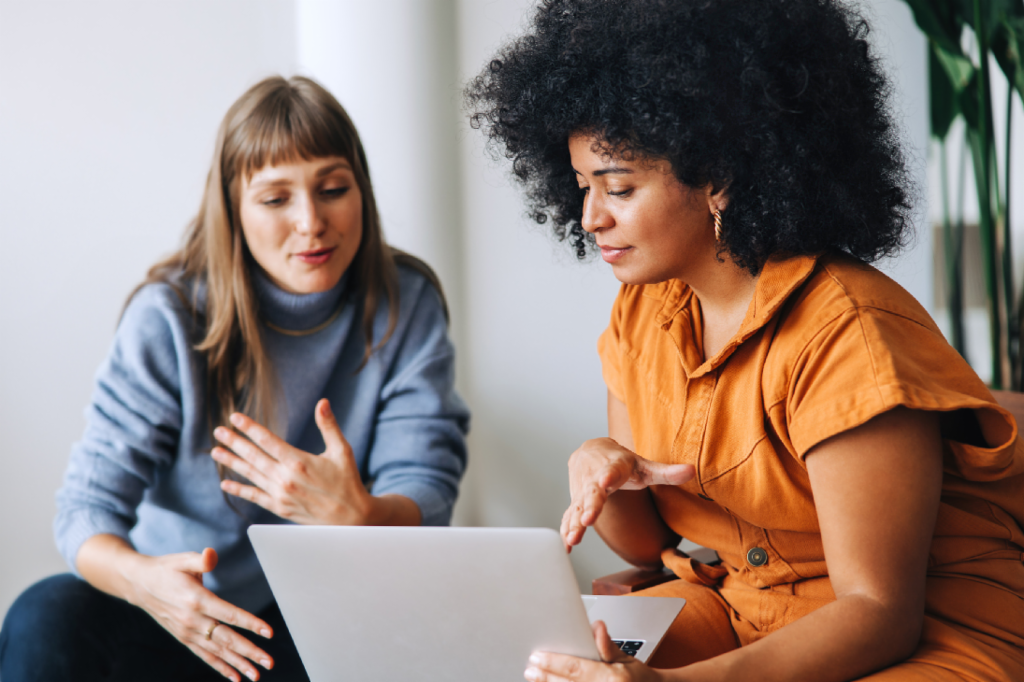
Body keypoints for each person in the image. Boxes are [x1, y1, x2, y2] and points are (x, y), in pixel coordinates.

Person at [466, 0, 1024, 680]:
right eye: (583, 186)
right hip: (740, 605)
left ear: (721, 178)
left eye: (617, 186)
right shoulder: (642, 311)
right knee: (540, 662)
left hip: (925, 635)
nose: (589, 217)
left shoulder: (849, 333)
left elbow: (879, 611)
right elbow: (648, 545)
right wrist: (600, 468)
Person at [0, 75, 468, 682]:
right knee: (46, 613)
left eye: (332, 189)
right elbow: (86, 511)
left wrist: (359, 513)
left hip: (318, 617)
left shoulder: (406, 300)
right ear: (234, 209)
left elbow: (427, 490)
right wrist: (150, 585)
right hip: (178, 613)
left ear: (362, 192)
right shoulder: (169, 315)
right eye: (276, 199)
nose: (311, 222)